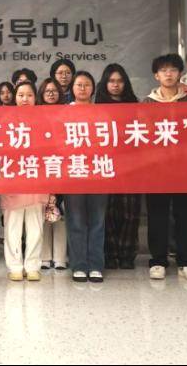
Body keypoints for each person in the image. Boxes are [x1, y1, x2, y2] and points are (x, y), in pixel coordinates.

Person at [144, 54, 187, 282]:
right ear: (156, 75)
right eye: (163, 70)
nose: (168, 74)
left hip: (185, 169)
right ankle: (158, 260)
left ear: (180, 73)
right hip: (155, 170)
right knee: (157, 215)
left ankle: (186, 261)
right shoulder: (146, 103)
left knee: (185, 215)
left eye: (173, 70)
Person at [1, 80, 48, 282]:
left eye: (29, 95)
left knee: (35, 225)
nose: (25, 99)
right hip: (12, 179)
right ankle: (15, 266)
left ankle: (33, 266)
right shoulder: (5, 120)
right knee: (13, 225)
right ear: (15, 97)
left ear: (35, 97)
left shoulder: (44, 120)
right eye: (21, 95)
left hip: (37, 177)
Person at [96, 64, 141, 270]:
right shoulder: (97, 107)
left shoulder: (135, 106)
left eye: (120, 81)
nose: (115, 85)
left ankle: (127, 254)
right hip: (105, 164)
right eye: (111, 81)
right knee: (108, 211)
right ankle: (110, 253)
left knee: (130, 211)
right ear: (105, 83)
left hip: (131, 165)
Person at [65, 71, 108, 283]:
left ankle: (96, 265)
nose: (83, 88)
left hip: (98, 172)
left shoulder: (102, 112)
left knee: (98, 221)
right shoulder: (63, 112)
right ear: (72, 88)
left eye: (87, 85)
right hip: (73, 173)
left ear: (93, 88)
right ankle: (79, 265)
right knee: (76, 221)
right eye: (79, 85)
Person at [37, 78, 68, 271]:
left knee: (60, 212)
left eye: (54, 91)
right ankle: (44, 257)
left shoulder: (67, 113)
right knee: (43, 211)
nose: (50, 93)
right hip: (40, 167)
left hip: (62, 166)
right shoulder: (34, 113)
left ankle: (60, 257)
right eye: (47, 91)